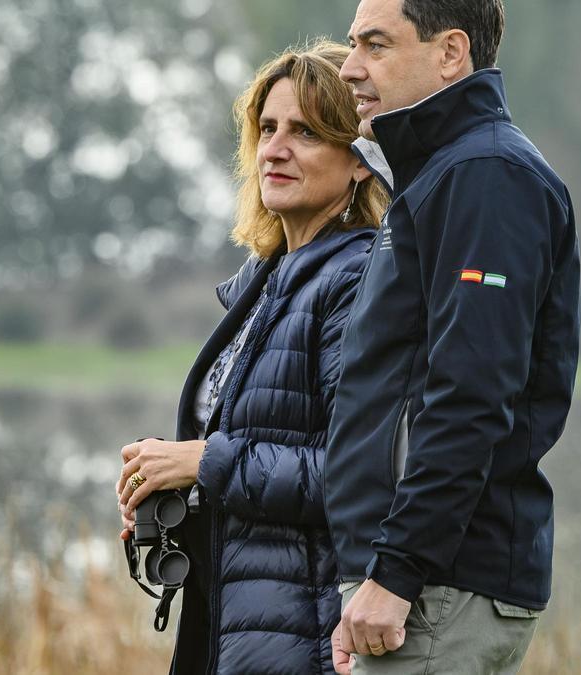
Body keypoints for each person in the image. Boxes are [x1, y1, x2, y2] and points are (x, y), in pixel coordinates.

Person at [323, 1, 581, 673]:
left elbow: (470, 393)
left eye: (376, 45)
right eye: (353, 45)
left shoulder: (486, 177)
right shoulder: (439, 174)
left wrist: (395, 573)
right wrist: (363, 575)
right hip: (419, 584)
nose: (351, 68)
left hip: (437, 588)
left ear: (450, 52)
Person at [115, 41, 388, 675]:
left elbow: (354, 474)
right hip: (234, 616)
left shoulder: (356, 278)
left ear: (359, 164)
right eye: (267, 128)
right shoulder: (265, 283)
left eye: (306, 132)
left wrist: (201, 461)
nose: (276, 149)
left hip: (307, 628)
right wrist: (165, 481)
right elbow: (258, 442)